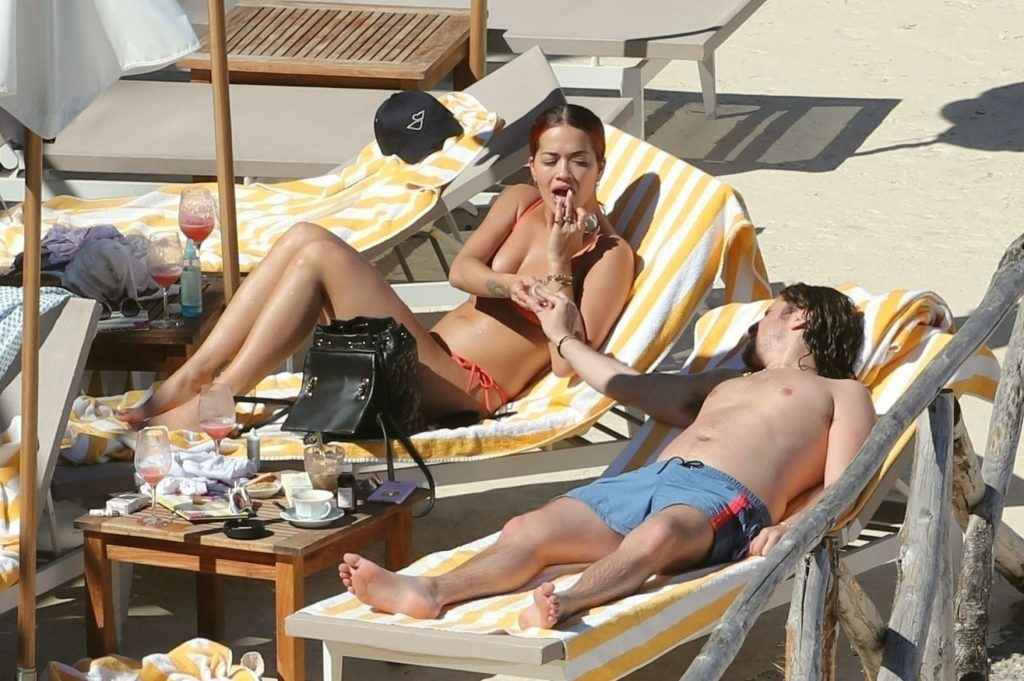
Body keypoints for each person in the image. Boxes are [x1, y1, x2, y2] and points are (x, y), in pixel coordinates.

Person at [338, 283, 876, 629]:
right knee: (529, 528)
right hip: (647, 479)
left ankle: (569, 602)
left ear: (800, 317)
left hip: (724, 498)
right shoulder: (725, 381)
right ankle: (430, 591)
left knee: (660, 536)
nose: (753, 329)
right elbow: (629, 386)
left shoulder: (842, 392)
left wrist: (794, 526)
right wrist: (562, 338)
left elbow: (846, 482)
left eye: (767, 315)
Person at [119, 104, 634, 430]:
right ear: (531, 165)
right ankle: (199, 376)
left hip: (465, 388)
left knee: (319, 251)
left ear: (600, 168)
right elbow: (462, 271)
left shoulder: (608, 256)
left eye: (579, 161)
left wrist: (559, 261)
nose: (563, 173)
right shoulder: (520, 201)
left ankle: (218, 395)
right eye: (550, 160)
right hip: (431, 350)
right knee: (302, 238)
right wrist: (506, 283)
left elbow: (569, 364)